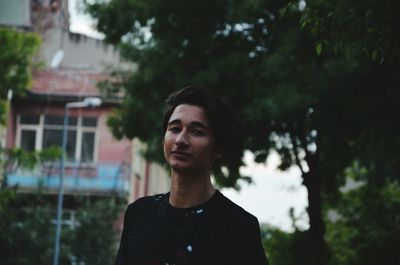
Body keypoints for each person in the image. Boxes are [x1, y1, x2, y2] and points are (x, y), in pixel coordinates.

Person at [115, 86, 269, 265]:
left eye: (197, 131)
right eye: (174, 128)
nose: (180, 140)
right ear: (163, 139)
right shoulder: (139, 214)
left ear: (218, 148)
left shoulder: (238, 227)